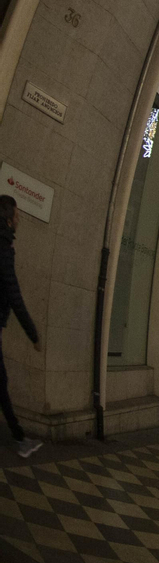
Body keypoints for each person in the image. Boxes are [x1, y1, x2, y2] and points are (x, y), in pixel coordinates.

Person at [0, 196, 42, 459]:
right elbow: (14, 295)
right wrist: (33, 334)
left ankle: (19, 436)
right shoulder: (3, 249)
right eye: (16, 215)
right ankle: (20, 438)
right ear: (7, 220)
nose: (19, 220)